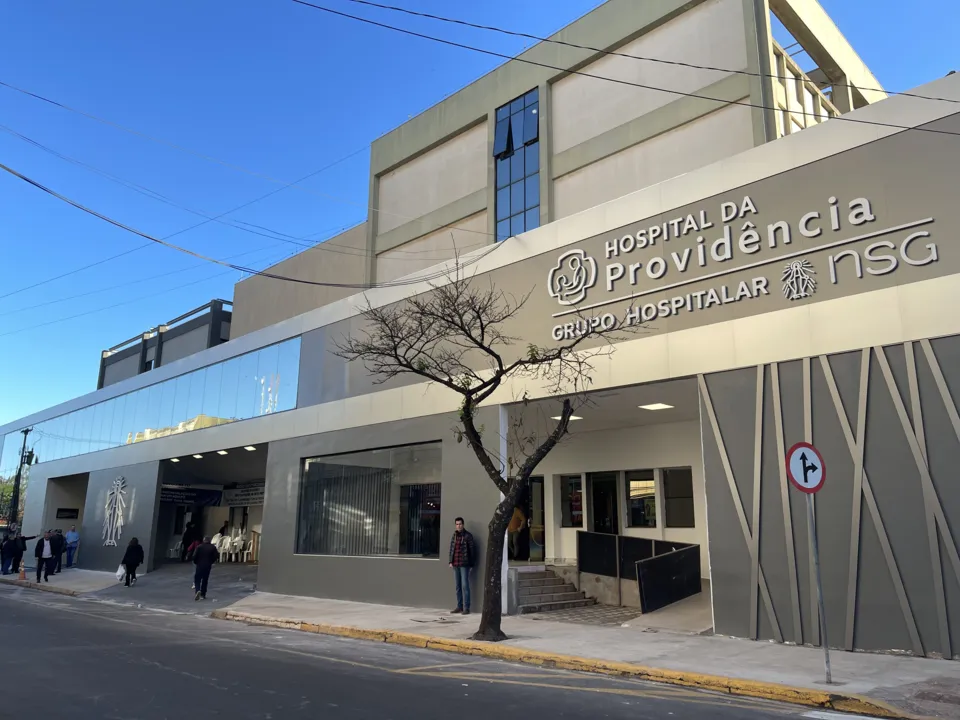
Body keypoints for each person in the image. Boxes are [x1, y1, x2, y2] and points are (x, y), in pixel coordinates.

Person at [448, 517, 476, 615]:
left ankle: (466, 607)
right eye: (457, 524)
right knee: (458, 586)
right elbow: (452, 549)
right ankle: (459, 606)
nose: (458, 526)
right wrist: (450, 561)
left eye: (460, 524)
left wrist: (472, 564)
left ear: (463, 525)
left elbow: (472, 551)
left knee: (465, 585)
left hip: (464, 564)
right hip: (455, 564)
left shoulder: (468, 536)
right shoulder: (454, 536)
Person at [192, 535, 218, 601]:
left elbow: (194, 556)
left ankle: (197, 590)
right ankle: (203, 594)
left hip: (199, 565)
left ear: (204, 540)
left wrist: (196, 562)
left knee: (197, 579)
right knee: (205, 580)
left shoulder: (199, 547)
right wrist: (211, 562)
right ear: (210, 541)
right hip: (208, 565)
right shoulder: (213, 547)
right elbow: (216, 556)